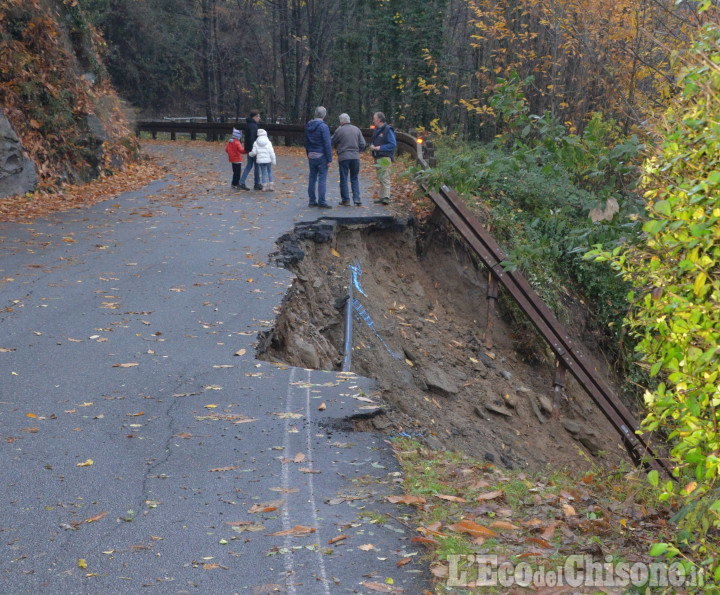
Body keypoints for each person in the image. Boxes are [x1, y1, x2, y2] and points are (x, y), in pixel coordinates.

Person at [331, 113, 366, 206]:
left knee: (344, 178)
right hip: (355, 157)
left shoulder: (339, 130)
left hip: (343, 157)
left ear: (341, 121)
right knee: (354, 178)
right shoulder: (356, 129)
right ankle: (357, 198)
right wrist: (358, 151)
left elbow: (332, 141)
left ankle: (346, 200)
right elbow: (363, 144)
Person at [304, 106, 333, 208]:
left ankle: (312, 201)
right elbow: (327, 143)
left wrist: (308, 153)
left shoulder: (308, 125)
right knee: (322, 179)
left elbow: (306, 141)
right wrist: (330, 159)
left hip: (311, 154)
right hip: (321, 155)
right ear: (324, 115)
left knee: (312, 178)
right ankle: (322, 202)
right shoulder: (323, 127)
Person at [369, 111, 396, 205]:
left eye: (374, 118)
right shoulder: (376, 129)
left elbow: (393, 144)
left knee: (385, 177)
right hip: (377, 156)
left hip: (385, 156)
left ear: (379, 119)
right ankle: (382, 196)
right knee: (380, 177)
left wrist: (379, 148)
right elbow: (374, 140)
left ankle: (386, 197)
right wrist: (372, 145)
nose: (373, 120)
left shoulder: (388, 129)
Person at [238, 109, 263, 191]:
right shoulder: (253, 126)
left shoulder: (250, 124)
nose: (259, 118)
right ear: (253, 117)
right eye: (257, 116)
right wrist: (255, 149)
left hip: (250, 149)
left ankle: (243, 182)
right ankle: (256, 183)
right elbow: (252, 139)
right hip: (253, 149)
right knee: (256, 165)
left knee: (250, 165)